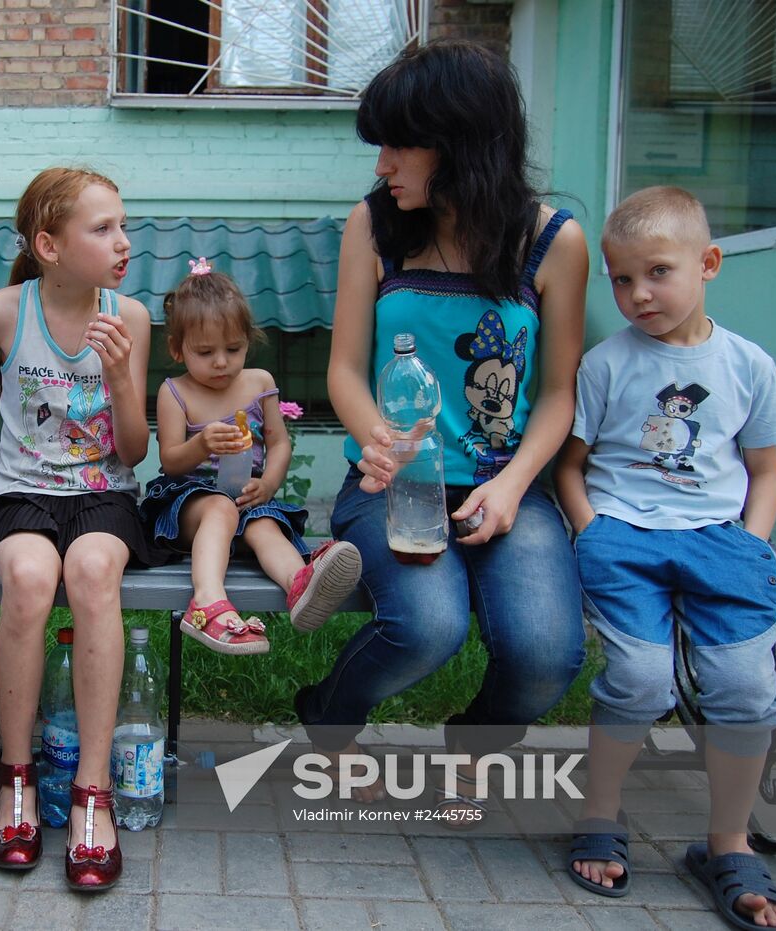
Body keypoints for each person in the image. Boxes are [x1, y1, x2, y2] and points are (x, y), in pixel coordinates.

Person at [294, 40, 588, 816]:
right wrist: (381, 444)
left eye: (399, 143)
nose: (383, 163)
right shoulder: (375, 224)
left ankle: (477, 743)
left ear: (458, 143)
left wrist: (514, 484)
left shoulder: (555, 242)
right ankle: (328, 716)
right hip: (392, 481)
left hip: (507, 487)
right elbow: (344, 372)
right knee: (427, 628)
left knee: (546, 655)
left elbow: (558, 396)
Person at [556, 186, 776, 929]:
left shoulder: (747, 365)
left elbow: (766, 471)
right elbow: (571, 464)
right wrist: (592, 529)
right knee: (637, 674)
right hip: (624, 536)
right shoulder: (605, 365)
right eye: (621, 278)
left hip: (720, 541)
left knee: (744, 688)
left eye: (658, 272)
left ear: (710, 263)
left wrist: (751, 543)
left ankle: (727, 843)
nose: (637, 294)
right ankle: (600, 815)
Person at [0, 167, 159, 891]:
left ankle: (93, 792)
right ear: (48, 246)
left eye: (123, 225)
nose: (122, 242)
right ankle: (15, 777)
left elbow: (134, 451)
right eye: (103, 228)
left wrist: (119, 380)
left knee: (90, 572)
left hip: (103, 497)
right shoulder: (3, 311)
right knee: (27, 577)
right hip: (23, 492)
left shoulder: (132, 317)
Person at [139, 258, 361, 655]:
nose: (221, 361)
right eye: (205, 352)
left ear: (248, 340)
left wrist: (269, 483)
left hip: (247, 497)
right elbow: (170, 461)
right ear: (177, 349)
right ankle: (206, 600)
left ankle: (302, 584)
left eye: (234, 348)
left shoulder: (260, 383)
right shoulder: (175, 392)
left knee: (264, 528)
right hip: (189, 505)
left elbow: (278, 443)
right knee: (220, 509)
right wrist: (202, 443)